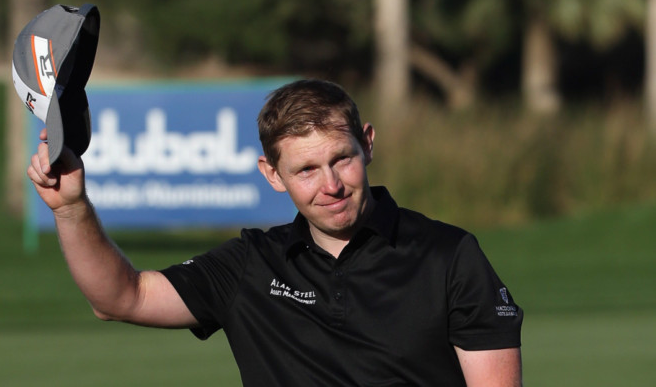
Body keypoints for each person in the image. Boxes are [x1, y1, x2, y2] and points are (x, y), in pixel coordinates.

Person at [27, 79, 523, 386]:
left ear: (367, 145)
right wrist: (72, 208)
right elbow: (120, 297)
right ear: (271, 174)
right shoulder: (252, 265)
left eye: (341, 159)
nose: (330, 185)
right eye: (306, 170)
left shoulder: (449, 254)